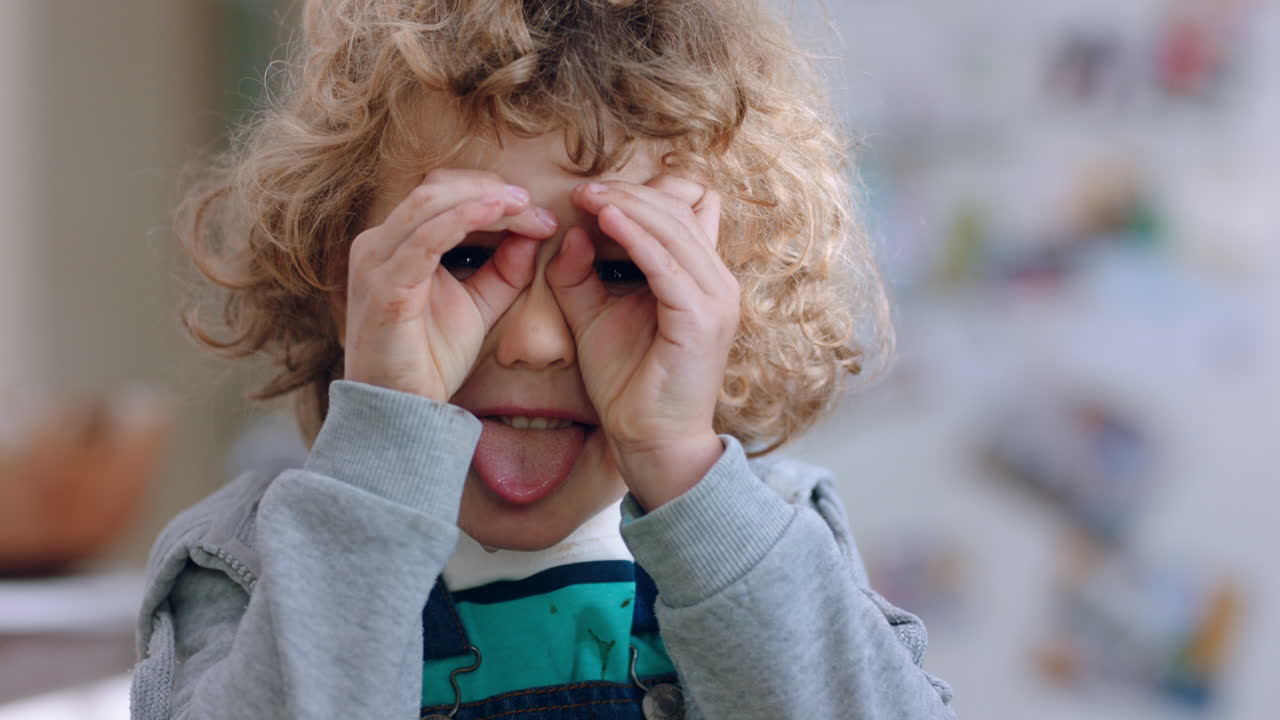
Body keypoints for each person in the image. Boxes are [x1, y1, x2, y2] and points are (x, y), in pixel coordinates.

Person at [130, 1, 957, 718]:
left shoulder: (768, 538)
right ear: (341, 285)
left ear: (720, 311)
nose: (536, 340)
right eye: (463, 256)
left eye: (624, 269)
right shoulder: (245, 561)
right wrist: (380, 467)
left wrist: (683, 466)